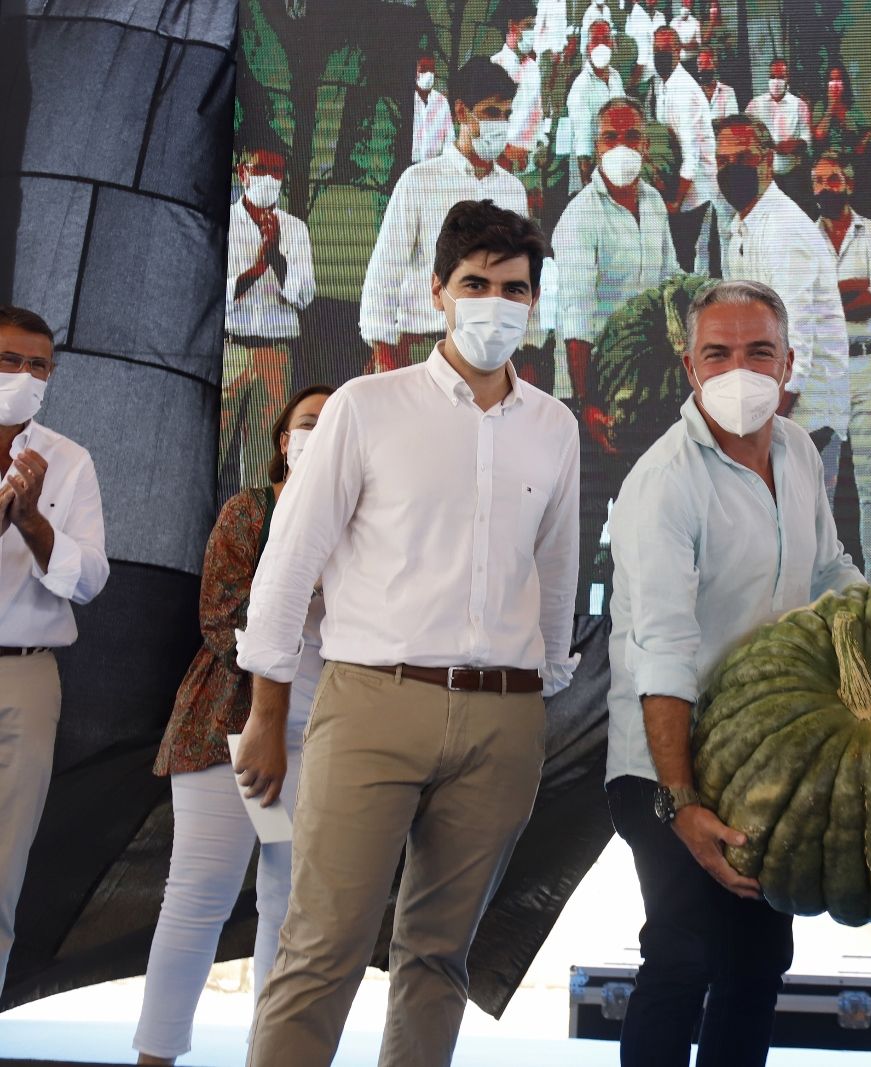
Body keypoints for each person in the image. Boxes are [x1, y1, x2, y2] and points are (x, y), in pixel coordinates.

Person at [234, 200, 579, 1066]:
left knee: (438, 958)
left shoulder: (554, 426)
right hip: (373, 703)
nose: (494, 303)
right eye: (475, 284)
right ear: (438, 292)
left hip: (503, 718)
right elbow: (287, 564)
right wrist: (268, 714)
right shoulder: (364, 405)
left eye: (512, 288)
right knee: (322, 949)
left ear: (533, 303)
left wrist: (540, 699)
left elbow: (557, 573)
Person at [606, 279, 863, 1067]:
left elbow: (829, 574)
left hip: (761, 760)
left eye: (759, 351)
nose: (738, 368)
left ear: (790, 362)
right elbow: (663, 649)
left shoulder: (797, 451)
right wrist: (680, 801)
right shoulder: (663, 483)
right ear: (690, 365)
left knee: (756, 965)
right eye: (717, 352)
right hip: (663, 761)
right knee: (683, 956)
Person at [133, 386, 332, 1066]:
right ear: (283, 439)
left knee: (289, 910)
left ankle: (270, 1054)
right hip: (230, 728)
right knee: (197, 899)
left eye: (333, 426)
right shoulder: (252, 510)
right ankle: (155, 1054)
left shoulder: (363, 523)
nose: (318, 434)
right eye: (308, 422)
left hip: (324, 737)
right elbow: (220, 618)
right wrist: (299, 587)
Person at [0, 305, 109, 994]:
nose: (23, 375)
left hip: (24, 676)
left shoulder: (67, 460)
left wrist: (34, 520)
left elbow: (91, 581)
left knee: (4, 867)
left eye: (38, 365)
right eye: (9, 360)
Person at [713, 114, 849, 504]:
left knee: (803, 544)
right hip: (767, 412)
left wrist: (764, 427)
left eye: (742, 158)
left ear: (767, 161)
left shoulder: (785, 229)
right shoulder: (743, 226)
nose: (731, 170)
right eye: (723, 161)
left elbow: (796, 344)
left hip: (804, 416)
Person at [359, 59, 527, 375]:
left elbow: (521, 278)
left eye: (507, 115)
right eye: (491, 112)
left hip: (491, 354)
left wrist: (524, 349)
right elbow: (385, 270)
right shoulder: (420, 180)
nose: (501, 124)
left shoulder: (513, 191)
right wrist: (383, 351)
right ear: (462, 112)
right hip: (423, 345)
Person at [551, 96, 681, 457]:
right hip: (596, 382)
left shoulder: (653, 203)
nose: (621, 146)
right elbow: (575, 315)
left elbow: (671, 280)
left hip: (648, 377)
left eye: (631, 136)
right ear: (596, 147)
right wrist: (586, 402)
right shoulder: (581, 215)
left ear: (645, 144)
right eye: (611, 137)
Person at [812, 151, 871, 582]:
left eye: (834, 179)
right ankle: (826, 584)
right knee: (821, 489)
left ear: (849, 184)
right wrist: (849, 290)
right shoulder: (805, 238)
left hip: (869, 365)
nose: (827, 186)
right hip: (824, 370)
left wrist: (831, 295)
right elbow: (807, 303)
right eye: (820, 181)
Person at [222, 133, 315, 489]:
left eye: (277, 171)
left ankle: (261, 537)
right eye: (262, 169)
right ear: (242, 172)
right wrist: (257, 268)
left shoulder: (294, 229)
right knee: (217, 447)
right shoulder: (227, 222)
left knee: (267, 460)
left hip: (275, 354)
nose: (270, 179)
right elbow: (223, 294)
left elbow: (304, 296)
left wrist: (275, 257)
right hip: (232, 349)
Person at [656, 28, 717, 270]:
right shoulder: (665, 84)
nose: (660, 54)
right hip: (678, 186)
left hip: (695, 190)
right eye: (656, 50)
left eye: (666, 49)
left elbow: (691, 157)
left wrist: (675, 202)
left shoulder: (684, 90)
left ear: (679, 51)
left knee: (688, 260)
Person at [565, 20, 626, 193]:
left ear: (613, 44)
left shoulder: (616, 77)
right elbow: (582, 135)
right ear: (588, 47)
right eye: (596, 40)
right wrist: (587, 176)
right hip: (592, 172)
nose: (601, 45)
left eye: (606, 39)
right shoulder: (581, 86)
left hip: (615, 163)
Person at [745, 59, 812, 209]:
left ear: (788, 79)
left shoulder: (800, 105)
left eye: (780, 77)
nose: (776, 81)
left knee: (793, 213)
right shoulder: (755, 105)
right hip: (764, 175)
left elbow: (807, 140)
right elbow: (744, 134)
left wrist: (792, 145)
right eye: (772, 76)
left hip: (792, 173)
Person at [490, 1, 546, 175]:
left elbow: (537, 112)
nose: (532, 32)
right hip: (502, 160)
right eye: (528, 26)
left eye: (534, 26)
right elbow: (491, 119)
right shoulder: (495, 66)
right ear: (512, 26)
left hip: (530, 162)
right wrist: (506, 152)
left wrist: (541, 142)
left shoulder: (533, 68)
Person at [810, 65, 871, 159]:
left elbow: (867, 129)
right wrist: (831, 106)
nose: (835, 84)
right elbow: (819, 135)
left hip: (849, 155)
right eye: (832, 80)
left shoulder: (851, 106)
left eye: (839, 79)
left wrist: (862, 144)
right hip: (826, 156)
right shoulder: (820, 106)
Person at [411, 56, 451, 163]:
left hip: (434, 166)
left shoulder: (442, 102)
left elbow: (449, 138)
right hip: (409, 164)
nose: (428, 74)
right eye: (423, 69)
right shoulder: (407, 101)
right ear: (415, 72)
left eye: (431, 70)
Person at [696, 48, 737, 121]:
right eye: (700, 64)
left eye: (707, 63)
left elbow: (731, 120)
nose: (702, 68)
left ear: (715, 65)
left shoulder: (727, 91)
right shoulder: (693, 92)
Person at [626, 0, 667, 71]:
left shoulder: (661, 16)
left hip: (656, 58)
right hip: (640, 58)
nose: (649, 1)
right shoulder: (634, 15)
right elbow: (629, 35)